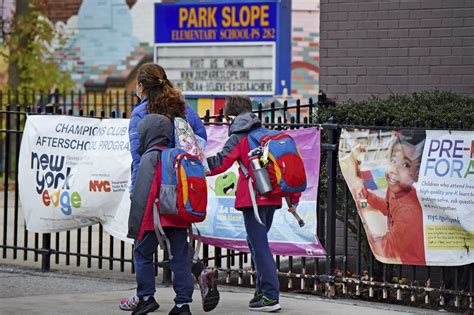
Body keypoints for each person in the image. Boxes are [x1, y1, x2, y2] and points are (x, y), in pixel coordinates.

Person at [120, 63, 215, 312]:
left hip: (151, 190)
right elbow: (200, 142)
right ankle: (183, 303)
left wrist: (136, 194)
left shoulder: (140, 114)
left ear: (141, 86)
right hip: (180, 189)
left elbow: (138, 158)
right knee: (179, 250)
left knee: (143, 248)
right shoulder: (183, 108)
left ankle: (145, 297)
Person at [205, 95, 299, 312]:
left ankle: (269, 296)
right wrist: (293, 200)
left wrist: (194, 168)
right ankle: (260, 293)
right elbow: (288, 170)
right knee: (255, 243)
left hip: (254, 200)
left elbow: (220, 163)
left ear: (231, 116)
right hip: (272, 198)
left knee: (259, 245)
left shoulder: (240, 137)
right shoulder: (268, 134)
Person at [127, 114, 194, 315]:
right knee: (180, 259)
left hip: (153, 220)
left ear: (147, 133)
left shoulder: (149, 157)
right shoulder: (176, 155)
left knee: (142, 254)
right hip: (178, 219)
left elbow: (143, 194)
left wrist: (135, 227)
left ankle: (146, 297)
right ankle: (182, 305)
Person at [355, 130, 426, 265]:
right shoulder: (396, 190)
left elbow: (391, 249)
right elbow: (389, 208)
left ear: (417, 174)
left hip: (411, 263)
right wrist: (369, 196)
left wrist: (375, 239)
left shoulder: (409, 211)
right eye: (393, 160)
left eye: (405, 165)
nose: (394, 169)